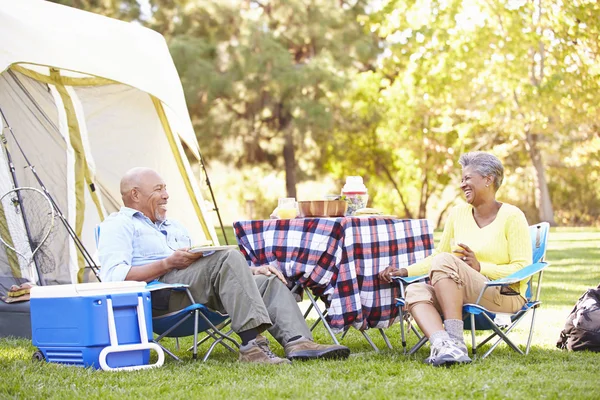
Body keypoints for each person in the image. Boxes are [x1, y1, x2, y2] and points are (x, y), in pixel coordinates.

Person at [98, 167, 350, 364]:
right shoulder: (119, 225)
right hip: (162, 297)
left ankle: (299, 342)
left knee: (266, 279)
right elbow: (115, 278)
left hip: (196, 288)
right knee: (227, 257)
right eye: (158, 189)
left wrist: (251, 271)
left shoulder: (174, 226)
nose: (166, 195)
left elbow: (212, 269)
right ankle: (252, 348)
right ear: (135, 194)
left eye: (165, 189)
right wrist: (167, 263)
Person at [379, 151, 532, 366]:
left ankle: (456, 341)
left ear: (488, 179)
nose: (462, 185)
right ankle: (444, 345)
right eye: (462, 179)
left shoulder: (512, 216)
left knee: (445, 260)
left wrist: (480, 267)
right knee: (415, 290)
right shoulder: (458, 214)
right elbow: (436, 257)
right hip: (460, 293)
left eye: (468, 178)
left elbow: (523, 268)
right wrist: (404, 271)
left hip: (503, 295)